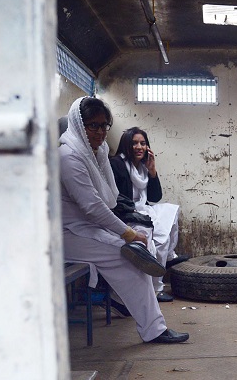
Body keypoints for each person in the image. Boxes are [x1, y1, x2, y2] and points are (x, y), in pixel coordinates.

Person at [59, 96, 189, 343]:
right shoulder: (70, 157)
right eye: (92, 125)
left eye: (104, 125)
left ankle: (141, 316)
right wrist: (127, 233)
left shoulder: (95, 155)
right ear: (78, 124)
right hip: (65, 235)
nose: (99, 132)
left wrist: (130, 234)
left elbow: (109, 201)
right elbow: (93, 207)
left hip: (85, 230)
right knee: (131, 253)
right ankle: (149, 324)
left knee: (136, 253)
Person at [110, 127, 188, 303]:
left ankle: (167, 259)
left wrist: (152, 172)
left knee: (170, 212)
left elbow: (154, 197)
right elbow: (114, 196)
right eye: (135, 143)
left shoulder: (144, 167)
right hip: (127, 212)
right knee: (157, 237)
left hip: (143, 208)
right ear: (126, 145)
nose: (139, 147)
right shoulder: (117, 164)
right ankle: (155, 288)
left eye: (143, 143)